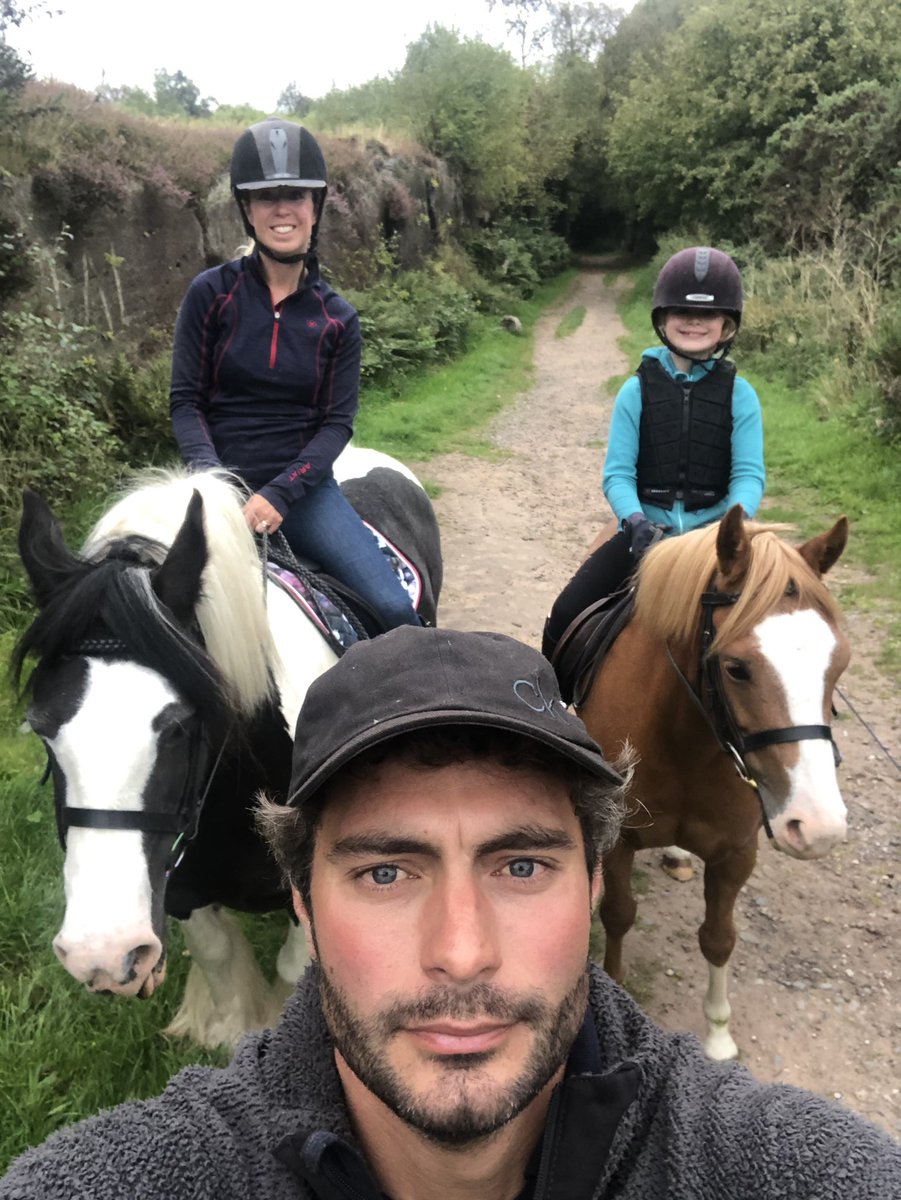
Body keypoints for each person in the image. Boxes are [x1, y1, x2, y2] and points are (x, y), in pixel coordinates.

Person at [3, 627, 898, 1199]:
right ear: (302, 906)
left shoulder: (785, 1165)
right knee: (594, 607)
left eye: (520, 864)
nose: (462, 954)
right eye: (386, 873)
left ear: (593, 886)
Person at [169, 117, 418, 631]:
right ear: (247, 209)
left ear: (316, 207)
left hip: (304, 495)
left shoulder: (338, 319)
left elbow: (336, 425)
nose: (282, 208)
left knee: (395, 611)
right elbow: (186, 401)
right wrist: (215, 483)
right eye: (266, 197)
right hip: (215, 487)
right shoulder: (210, 296)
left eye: (296, 195)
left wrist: (279, 494)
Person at [542, 246, 765, 664]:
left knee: (783, 622)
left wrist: (733, 521)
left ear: (728, 324)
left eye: (707, 315)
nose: (694, 322)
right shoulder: (636, 390)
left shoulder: (741, 395)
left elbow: (749, 474)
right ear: (662, 319)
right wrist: (635, 520)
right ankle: (553, 707)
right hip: (647, 534)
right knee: (566, 612)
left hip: (714, 539)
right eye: (681, 311)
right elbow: (618, 474)